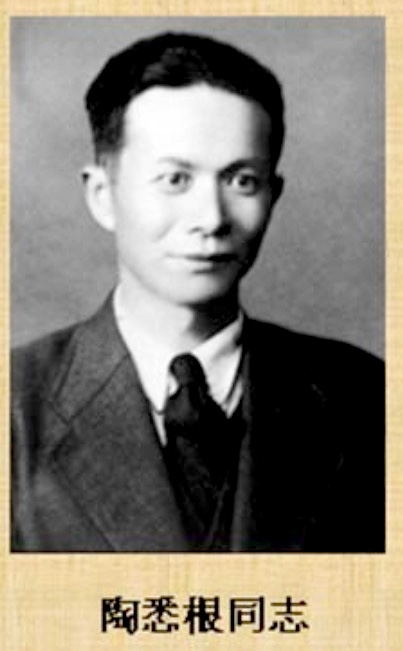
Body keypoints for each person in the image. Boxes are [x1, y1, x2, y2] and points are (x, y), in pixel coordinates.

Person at [11, 31, 384, 552]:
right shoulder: (16, 406)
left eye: (242, 181)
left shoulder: (367, 397)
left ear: (273, 196)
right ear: (102, 196)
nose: (211, 218)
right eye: (175, 180)